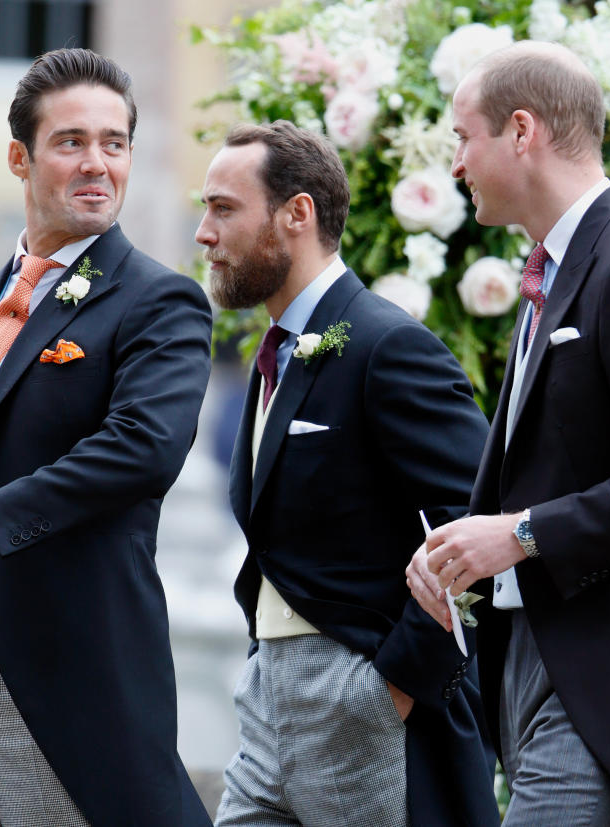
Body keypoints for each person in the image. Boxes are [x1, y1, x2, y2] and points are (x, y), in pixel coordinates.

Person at [0, 48, 213, 826]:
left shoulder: (160, 302)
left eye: (114, 143)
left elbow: (143, 446)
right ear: (19, 157)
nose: (98, 164)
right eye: (71, 142)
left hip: (69, 682)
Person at [406, 41, 610, 826]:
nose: (455, 164)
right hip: (532, 666)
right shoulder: (547, 278)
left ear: (522, 131)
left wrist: (519, 534)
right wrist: (462, 552)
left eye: (463, 137)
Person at [196, 120, 499, 827]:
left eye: (223, 208)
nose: (204, 234)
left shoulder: (389, 345)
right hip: (267, 695)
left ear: (297, 214)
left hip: (364, 700)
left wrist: (395, 682)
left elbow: (485, 519)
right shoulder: (278, 350)